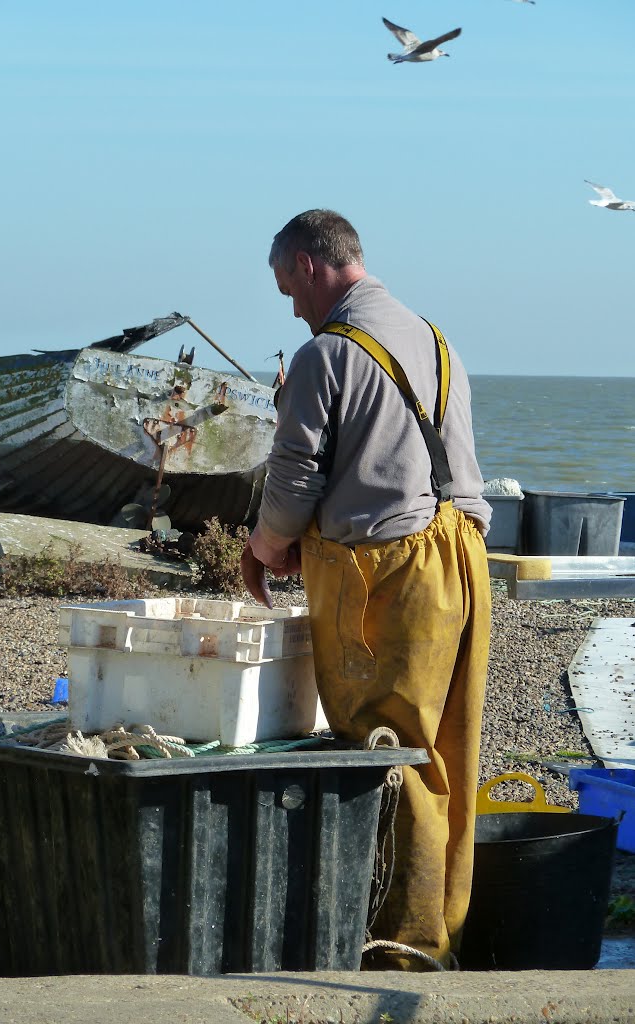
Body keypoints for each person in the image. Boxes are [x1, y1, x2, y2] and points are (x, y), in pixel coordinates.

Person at [240, 208, 492, 971]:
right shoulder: (433, 337)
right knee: (450, 747)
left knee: (388, 752)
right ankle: (442, 925)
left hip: (384, 571)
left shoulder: (325, 354)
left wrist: (264, 544)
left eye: (288, 287)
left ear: (311, 267)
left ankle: (400, 948)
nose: (291, 305)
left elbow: (293, 475)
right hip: (460, 554)